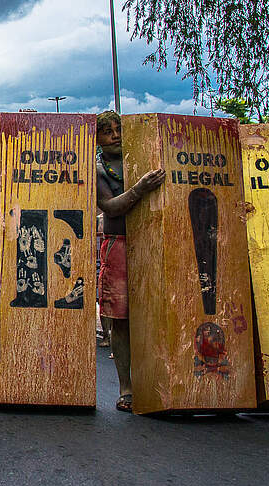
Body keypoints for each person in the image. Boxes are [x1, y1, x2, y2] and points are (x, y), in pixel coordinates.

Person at [94, 110, 165, 411]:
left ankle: (159, 381)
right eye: (107, 132)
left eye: (118, 129)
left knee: (156, 313)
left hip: (152, 241)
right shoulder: (97, 168)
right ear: (97, 138)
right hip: (118, 243)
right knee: (120, 320)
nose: (115, 136)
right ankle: (126, 387)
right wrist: (139, 189)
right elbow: (109, 206)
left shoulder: (146, 156)